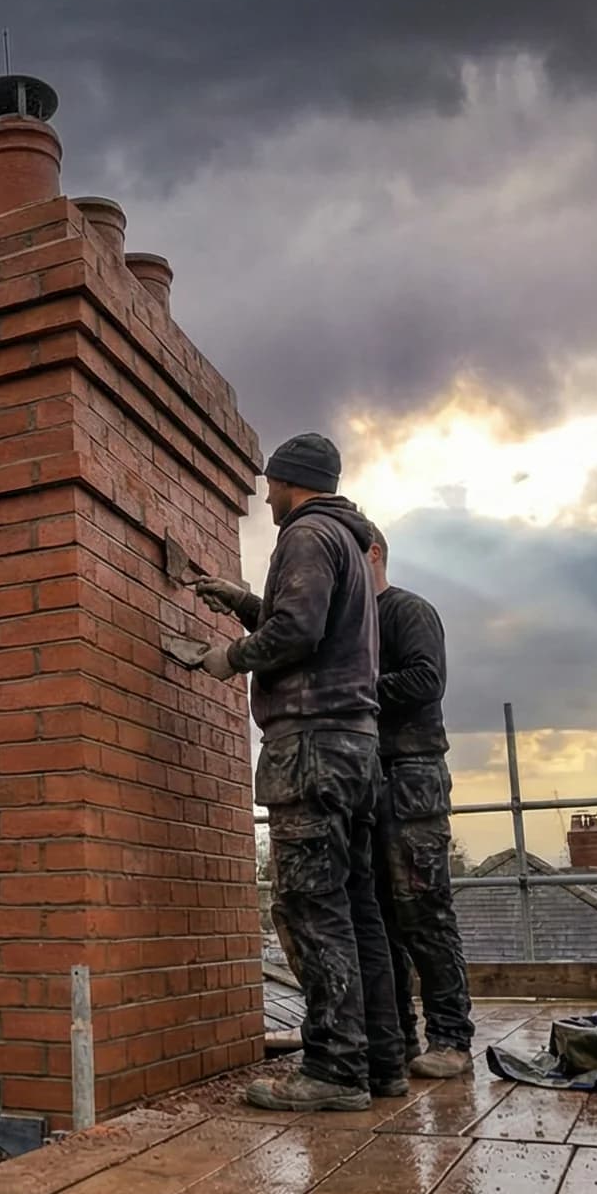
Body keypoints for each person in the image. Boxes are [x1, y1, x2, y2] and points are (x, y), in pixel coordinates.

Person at [189, 432, 406, 1111]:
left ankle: (335, 1071)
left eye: (272, 483)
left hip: (312, 743)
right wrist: (246, 602)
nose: (266, 493)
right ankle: (381, 1062)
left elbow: (302, 631)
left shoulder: (307, 535)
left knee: (311, 908)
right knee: (359, 909)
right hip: (355, 748)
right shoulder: (346, 537)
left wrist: (231, 656)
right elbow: (315, 622)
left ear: (293, 482)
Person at [363, 524, 476, 1078]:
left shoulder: (408, 612)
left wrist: (354, 685)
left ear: (376, 554)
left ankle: (452, 1037)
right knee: (382, 914)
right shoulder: (351, 625)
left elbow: (427, 680)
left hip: (413, 776)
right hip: (370, 776)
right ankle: (399, 1034)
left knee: (424, 912)